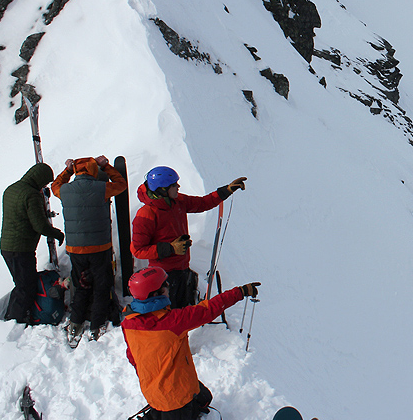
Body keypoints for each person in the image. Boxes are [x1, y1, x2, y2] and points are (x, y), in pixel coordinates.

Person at [122, 267, 260, 419]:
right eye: (165, 285)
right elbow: (208, 310)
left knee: (204, 398)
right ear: (155, 294)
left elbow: (132, 357)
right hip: (176, 401)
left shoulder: (128, 323)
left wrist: (154, 378)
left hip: (153, 390)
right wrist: (240, 292)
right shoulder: (172, 322)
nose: (169, 286)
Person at [131, 166, 246, 308]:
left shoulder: (176, 201)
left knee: (184, 312)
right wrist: (171, 248)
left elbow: (202, 203)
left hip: (182, 269)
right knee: (172, 316)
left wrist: (226, 191)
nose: (178, 186)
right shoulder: (146, 215)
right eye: (173, 185)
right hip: (163, 277)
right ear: (162, 189)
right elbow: (138, 250)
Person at [51, 155, 128, 344]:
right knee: (101, 287)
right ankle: (97, 324)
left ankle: (75, 323)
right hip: (99, 248)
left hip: (76, 250)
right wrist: (107, 166)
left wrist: (68, 170)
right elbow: (121, 184)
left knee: (81, 285)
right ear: (94, 170)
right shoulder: (102, 188)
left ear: (77, 172)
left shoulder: (65, 190)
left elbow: (55, 186)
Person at [0, 162, 65, 324]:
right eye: (44, 182)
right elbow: (40, 225)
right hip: (21, 248)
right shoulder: (31, 195)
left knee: (22, 283)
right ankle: (17, 319)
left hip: (7, 246)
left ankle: (15, 315)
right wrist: (57, 233)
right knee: (26, 286)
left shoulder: (11, 189)